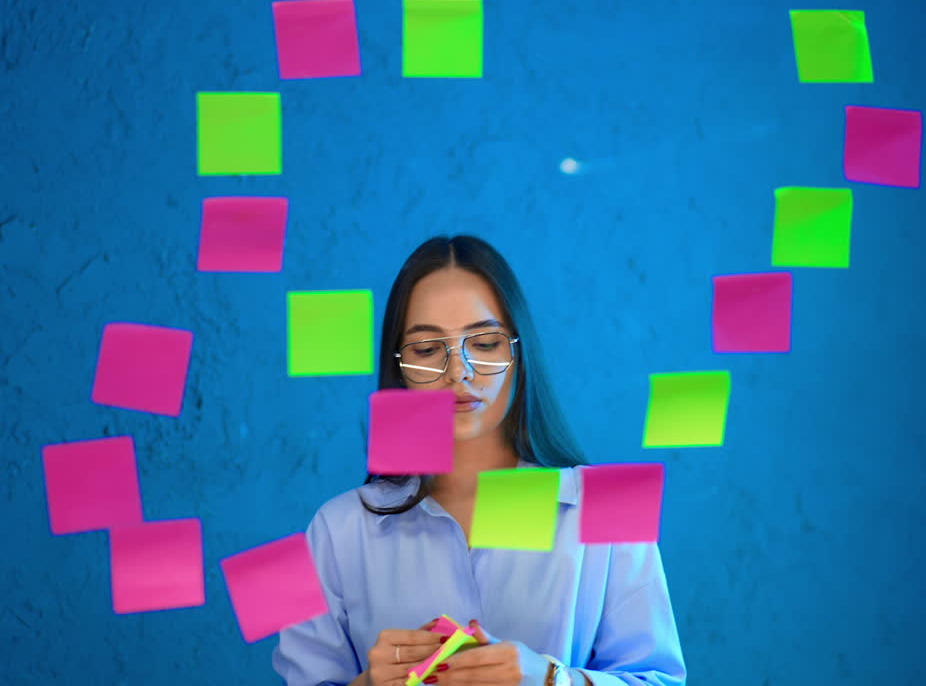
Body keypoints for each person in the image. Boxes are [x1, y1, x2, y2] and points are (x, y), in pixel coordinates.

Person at [273, 235, 686, 686]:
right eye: (428, 351)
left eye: (485, 343)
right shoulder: (333, 530)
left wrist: (552, 679)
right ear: (400, 368)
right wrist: (367, 684)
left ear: (518, 351)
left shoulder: (611, 505)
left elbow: (660, 680)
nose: (459, 372)